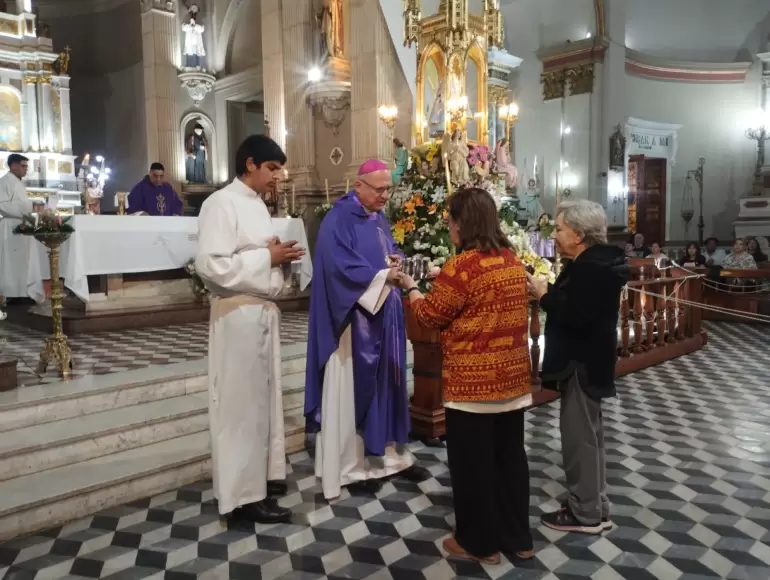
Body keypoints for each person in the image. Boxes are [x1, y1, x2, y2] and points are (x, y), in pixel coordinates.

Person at [398, 188, 534, 565]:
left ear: (462, 223)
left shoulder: (462, 268)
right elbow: (479, 294)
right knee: (510, 461)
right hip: (511, 382)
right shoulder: (510, 260)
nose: (447, 225)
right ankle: (518, 538)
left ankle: (479, 543)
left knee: (473, 466)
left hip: (473, 389)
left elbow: (429, 316)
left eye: (450, 219)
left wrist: (412, 289)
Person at [195, 135, 305, 523]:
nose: (277, 177)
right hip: (237, 316)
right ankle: (241, 498)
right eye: (272, 169)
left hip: (262, 313)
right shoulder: (220, 203)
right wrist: (267, 256)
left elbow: (255, 254)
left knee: (263, 404)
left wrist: (279, 255)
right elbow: (211, 266)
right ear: (251, 164)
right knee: (240, 410)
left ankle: (262, 479)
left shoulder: (257, 205)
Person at [304, 158, 429, 500]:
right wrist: (380, 276)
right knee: (354, 392)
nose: (385, 195)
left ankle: (389, 459)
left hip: (384, 315)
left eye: (389, 188)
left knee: (388, 388)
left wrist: (396, 261)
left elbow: (385, 253)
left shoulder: (378, 217)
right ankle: (351, 465)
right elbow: (336, 268)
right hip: (352, 324)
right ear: (358, 185)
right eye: (380, 189)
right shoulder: (337, 220)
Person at [527, 200, 628, 534]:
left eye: (559, 229)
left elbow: (577, 315)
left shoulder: (590, 268)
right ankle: (594, 504)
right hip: (590, 360)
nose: (554, 235)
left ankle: (584, 513)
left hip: (580, 362)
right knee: (590, 436)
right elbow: (582, 305)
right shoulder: (598, 261)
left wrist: (543, 295)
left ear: (579, 234)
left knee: (579, 438)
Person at [0, 154, 41, 218]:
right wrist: (31, 206)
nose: (26, 169)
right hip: (10, 224)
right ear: (13, 166)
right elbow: (3, 206)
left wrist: (33, 205)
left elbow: (19, 201)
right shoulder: (4, 182)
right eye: (23, 166)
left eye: (26, 166)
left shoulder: (18, 181)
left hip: (21, 223)